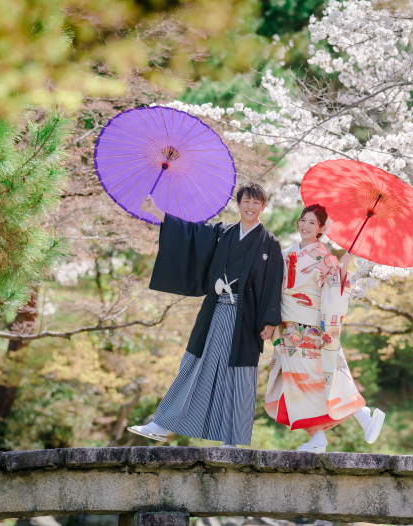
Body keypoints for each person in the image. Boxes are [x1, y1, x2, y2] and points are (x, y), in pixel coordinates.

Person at [128, 182, 284, 448]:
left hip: (245, 321)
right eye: (246, 201)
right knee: (196, 366)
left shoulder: (270, 243)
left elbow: (272, 283)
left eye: (256, 202)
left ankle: (232, 440)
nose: (250, 206)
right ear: (239, 204)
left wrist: (269, 322)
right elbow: (191, 233)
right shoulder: (223, 232)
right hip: (216, 311)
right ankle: (162, 424)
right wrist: (157, 211)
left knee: (238, 375)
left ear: (263, 207)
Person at [264, 204, 385, 452]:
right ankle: (322, 435)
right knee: (301, 382)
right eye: (303, 220)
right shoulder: (285, 253)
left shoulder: (326, 258)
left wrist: (341, 271)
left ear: (320, 229)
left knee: (315, 379)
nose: (305, 226)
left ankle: (360, 416)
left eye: (312, 223)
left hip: (310, 328)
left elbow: (334, 291)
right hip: (288, 325)